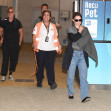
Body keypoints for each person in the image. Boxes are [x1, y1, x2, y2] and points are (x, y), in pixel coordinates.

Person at [62, 12, 98, 103]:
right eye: (76, 20)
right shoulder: (69, 29)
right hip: (72, 56)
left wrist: (80, 35)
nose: (78, 22)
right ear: (73, 20)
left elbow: (87, 40)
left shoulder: (85, 29)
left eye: (80, 20)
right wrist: (80, 31)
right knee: (70, 76)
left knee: (83, 77)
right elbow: (73, 39)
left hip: (82, 55)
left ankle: (84, 96)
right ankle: (71, 92)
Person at [32, 10, 62, 89]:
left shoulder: (53, 26)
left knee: (50, 66)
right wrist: (34, 43)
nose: (46, 16)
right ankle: (39, 81)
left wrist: (59, 46)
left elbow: (56, 38)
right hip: (40, 49)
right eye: (44, 15)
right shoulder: (38, 25)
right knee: (40, 66)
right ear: (42, 16)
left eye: (48, 15)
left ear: (50, 17)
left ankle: (52, 82)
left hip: (51, 50)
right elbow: (34, 35)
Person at [0, 7, 23, 81]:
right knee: (5, 59)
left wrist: (20, 42)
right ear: (8, 13)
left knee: (13, 59)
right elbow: (0, 30)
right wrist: (2, 38)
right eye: (9, 12)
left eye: (11, 12)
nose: (10, 13)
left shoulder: (17, 22)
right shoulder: (4, 21)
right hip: (6, 43)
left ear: (14, 13)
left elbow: (21, 33)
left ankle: (10, 74)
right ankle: (3, 75)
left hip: (15, 44)